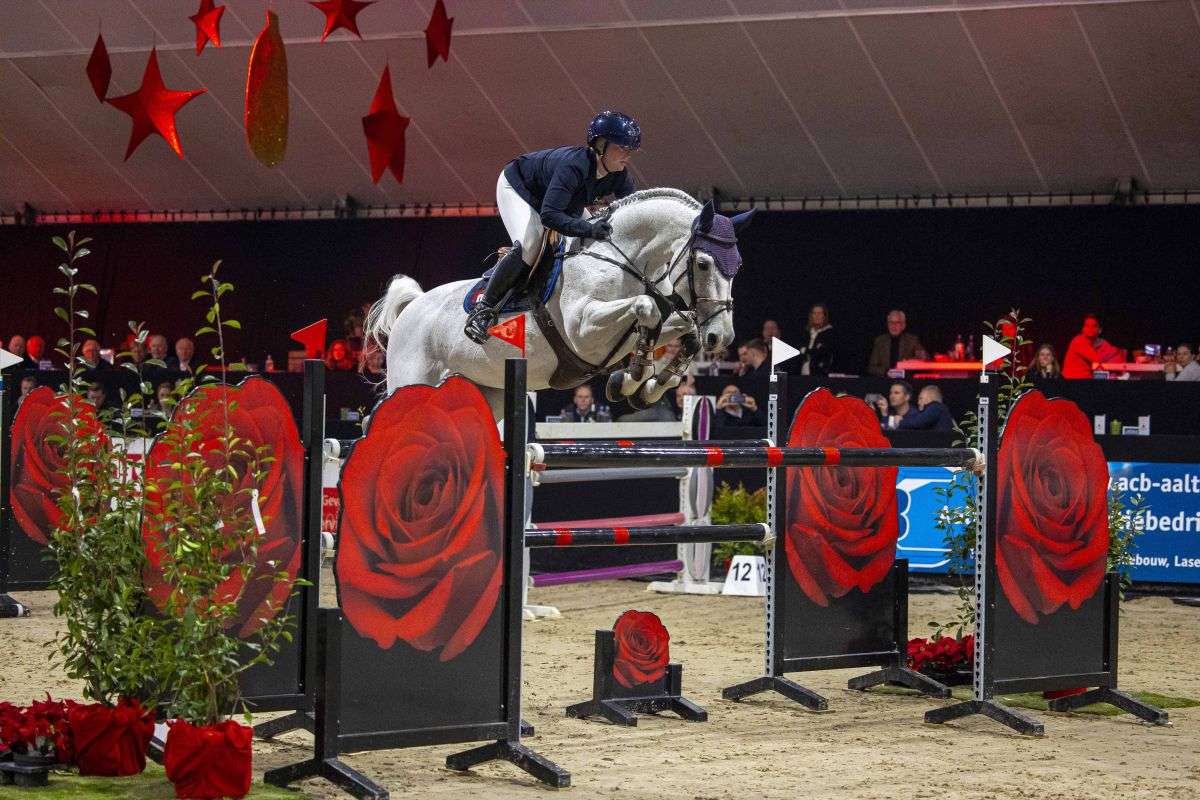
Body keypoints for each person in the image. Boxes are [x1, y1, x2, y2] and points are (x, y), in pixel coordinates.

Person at [464, 110, 641, 343]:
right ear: (600, 145)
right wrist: (590, 229)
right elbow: (549, 216)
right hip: (521, 189)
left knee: (590, 241)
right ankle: (483, 309)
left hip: (561, 200)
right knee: (530, 244)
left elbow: (633, 209)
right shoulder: (574, 166)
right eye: (621, 148)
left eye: (630, 149)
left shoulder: (619, 174)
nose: (627, 155)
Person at [867, 310, 927, 377]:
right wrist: (887, 372)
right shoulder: (880, 341)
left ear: (903, 325)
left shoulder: (912, 340)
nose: (893, 326)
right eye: (891, 322)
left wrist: (911, 361)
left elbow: (924, 358)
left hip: (906, 380)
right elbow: (872, 368)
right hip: (885, 380)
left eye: (897, 322)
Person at [1062, 315, 1122, 379]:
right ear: (1083, 329)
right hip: (1071, 380)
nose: (1090, 328)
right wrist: (1115, 350)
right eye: (1087, 326)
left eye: (1094, 326)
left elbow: (1118, 358)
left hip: (1089, 379)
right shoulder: (1079, 340)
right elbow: (1097, 358)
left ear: (1100, 330)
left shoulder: (1101, 343)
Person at [798, 303, 835, 376]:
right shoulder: (806, 332)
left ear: (824, 316)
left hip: (820, 373)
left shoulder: (830, 333)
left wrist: (806, 351)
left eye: (819, 313)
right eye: (814, 313)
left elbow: (822, 352)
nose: (817, 316)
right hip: (804, 372)